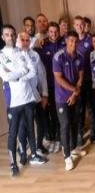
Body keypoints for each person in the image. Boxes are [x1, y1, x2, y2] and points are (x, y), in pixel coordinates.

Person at [0, 25, 42, 176]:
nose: (10, 37)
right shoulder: (1, 55)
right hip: (14, 101)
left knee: (30, 128)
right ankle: (13, 164)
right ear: (3, 37)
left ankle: (33, 154)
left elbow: (32, 71)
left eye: (12, 34)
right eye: (7, 34)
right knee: (13, 133)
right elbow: (6, 76)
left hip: (28, 97)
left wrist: (19, 76)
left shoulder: (23, 52)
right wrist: (22, 72)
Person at [53, 30, 87, 171]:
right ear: (66, 41)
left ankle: (73, 149)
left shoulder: (80, 56)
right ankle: (67, 156)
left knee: (74, 123)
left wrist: (75, 93)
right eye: (71, 41)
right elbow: (58, 78)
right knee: (65, 125)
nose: (73, 43)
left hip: (75, 95)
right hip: (62, 97)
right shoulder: (58, 56)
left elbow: (81, 76)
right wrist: (74, 90)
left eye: (75, 41)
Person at [17, 31, 50, 160]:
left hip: (36, 95)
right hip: (22, 98)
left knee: (41, 122)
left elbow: (42, 75)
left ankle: (38, 145)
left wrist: (45, 94)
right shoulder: (15, 55)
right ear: (18, 41)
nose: (25, 43)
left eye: (27, 40)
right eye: (23, 40)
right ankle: (23, 150)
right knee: (25, 125)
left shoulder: (35, 55)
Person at [35, 21, 63, 152]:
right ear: (48, 33)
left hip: (62, 85)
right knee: (53, 113)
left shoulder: (63, 44)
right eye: (51, 32)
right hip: (50, 85)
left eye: (56, 31)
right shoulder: (43, 46)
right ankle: (56, 137)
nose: (54, 34)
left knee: (62, 112)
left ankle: (63, 137)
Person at [74, 16, 94, 146]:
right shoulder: (71, 40)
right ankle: (80, 134)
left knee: (91, 107)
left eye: (81, 24)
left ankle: (94, 132)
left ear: (84, 25)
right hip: (76, 82)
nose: (80, 27)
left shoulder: (90, 39)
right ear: (74, 26)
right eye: (77, 25)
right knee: (79, 109)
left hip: (89, 79)